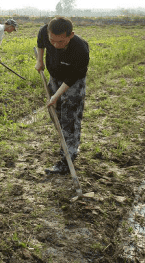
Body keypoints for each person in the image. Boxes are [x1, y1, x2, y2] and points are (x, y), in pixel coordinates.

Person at [35, 17, 90, 175]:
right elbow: (40, 40)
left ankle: (68, 158)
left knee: (70, 118)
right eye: (52, 40)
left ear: (70, 35)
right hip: (55, 77)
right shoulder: (45, 32)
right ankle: (66, 144)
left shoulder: (80, 49)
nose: (56, 45)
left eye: (61, 41)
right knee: (56, 114)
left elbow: (73, 77)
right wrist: (40, 60)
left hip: (73, 83)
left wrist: (56, 95)